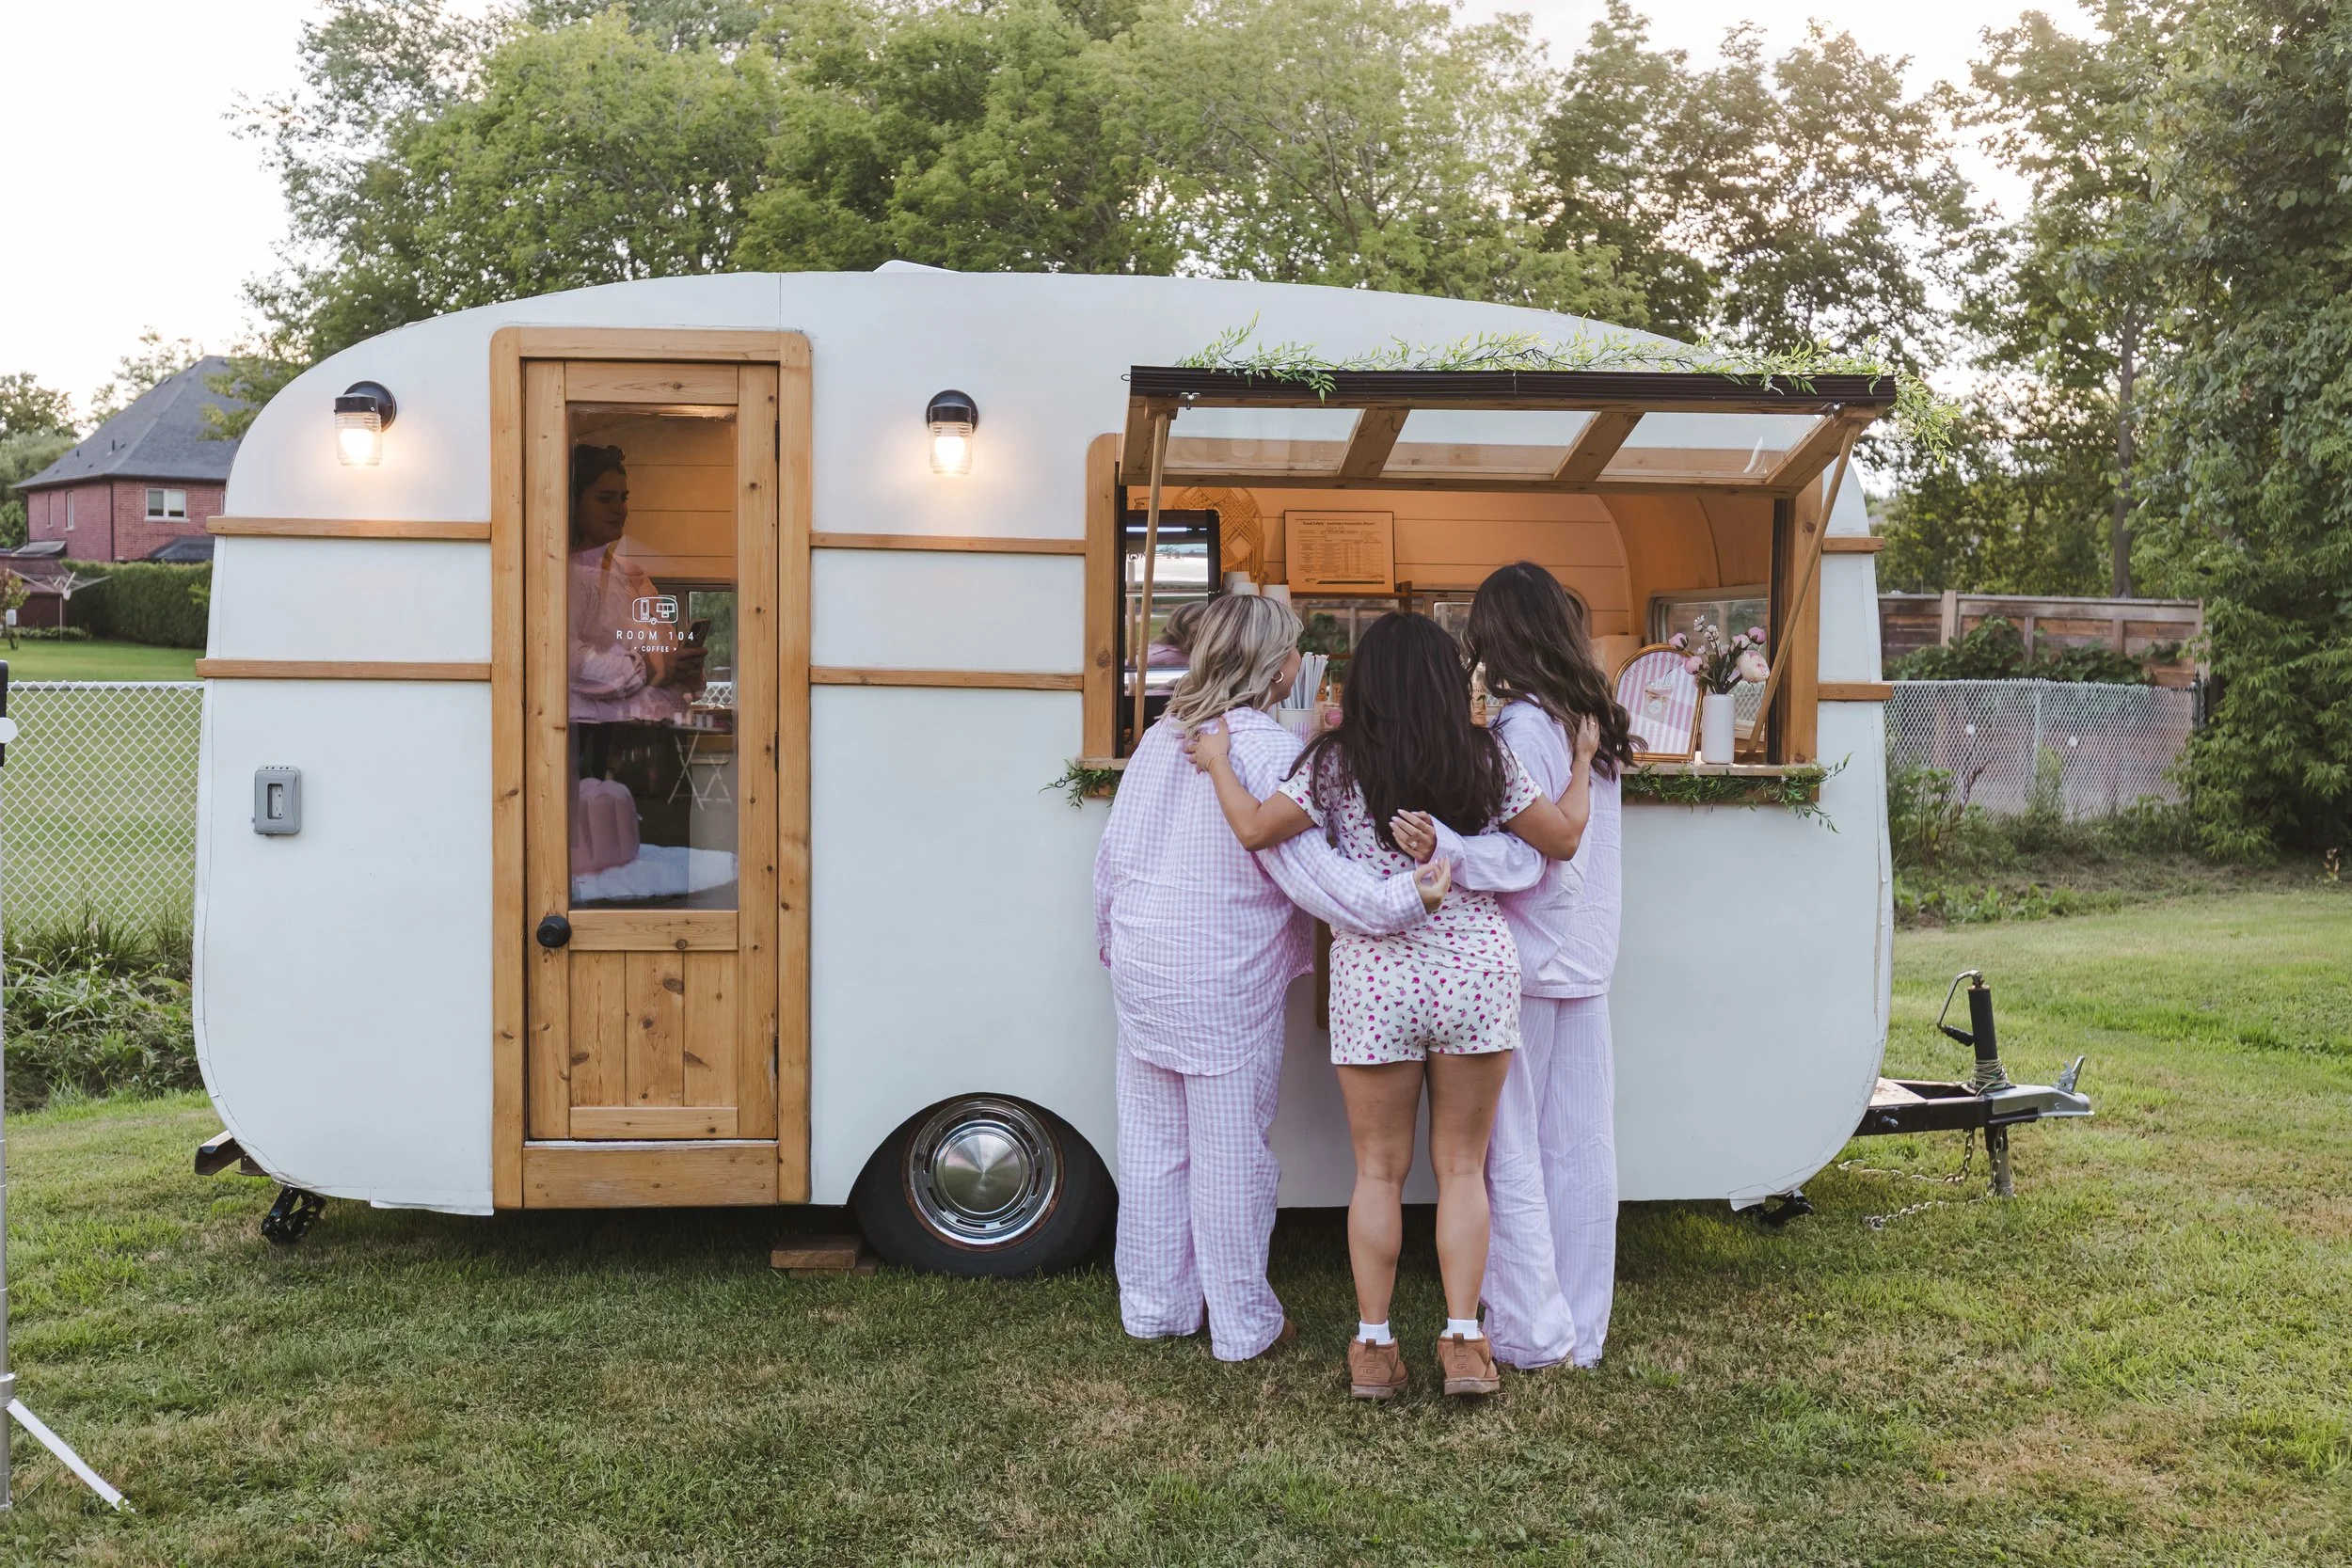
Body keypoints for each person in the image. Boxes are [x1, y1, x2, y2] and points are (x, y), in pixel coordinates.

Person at [1190, 612, 1591, 1400]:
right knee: (1463, 1168)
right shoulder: (1487, 755)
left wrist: (1216, 763)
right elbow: (1564, 839)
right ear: (1449, 681)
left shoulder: (1334, 762)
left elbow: (1257, 829)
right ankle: (1466, 1340)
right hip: (1474, 967)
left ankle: (1374, 1345)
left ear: (1363, 681)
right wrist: (1579, 761)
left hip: (1376, 977)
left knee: (1377, 1170)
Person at [1092, 594, 1450, 1364]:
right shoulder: (1257, 748)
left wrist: (1113, 946)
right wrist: (1404, 896)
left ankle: (1156, 1305)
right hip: (1220, 980)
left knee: (1153, 1145)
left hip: (1145, 969)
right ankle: (1243, 1323)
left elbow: (1111, 860)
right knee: (1230, 1156)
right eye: (1292, 649)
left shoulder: (1163, 736)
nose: (1299, 660)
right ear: (1273, 664)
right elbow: (1311, 875)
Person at [1460, 562, 1637, 1369]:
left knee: (1515, 1148)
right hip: (1586, 953)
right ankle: (1581, 1326)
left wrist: (1446, 849)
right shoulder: (1591, 720)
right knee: (1581, 1147)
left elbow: (1527, 852)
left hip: (1528, 956)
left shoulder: (1524, 728)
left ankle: (1531, 1327)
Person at [567, 444, 705, 724]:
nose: (619, 509)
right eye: (605, 499)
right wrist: (649, 671)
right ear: (574, 504)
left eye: (623, 498)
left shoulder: (632, 574)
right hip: (603, 740)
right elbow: (568, 662)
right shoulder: (566, 575)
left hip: (660, 733)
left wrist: (684, 668)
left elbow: (664, 646)